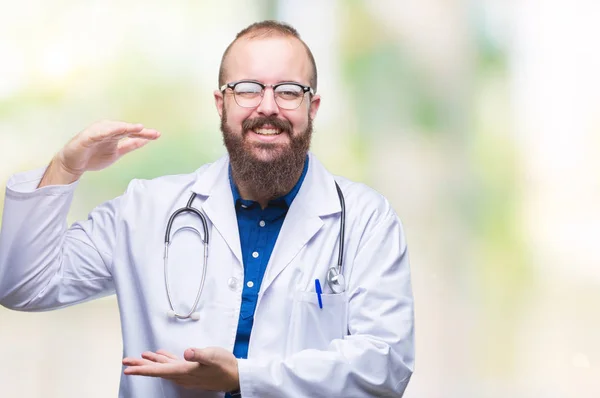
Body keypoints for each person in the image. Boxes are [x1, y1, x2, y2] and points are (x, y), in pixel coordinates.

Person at [0, 20, 414, 397]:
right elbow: (23, 285)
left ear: (313, 106)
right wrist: (66, 167)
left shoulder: (364, 219)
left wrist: (243, 377)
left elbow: (385, 366)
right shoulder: (146, 210)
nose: (268, 107)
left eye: (288, 91)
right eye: (248, 89)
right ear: (221, 103)